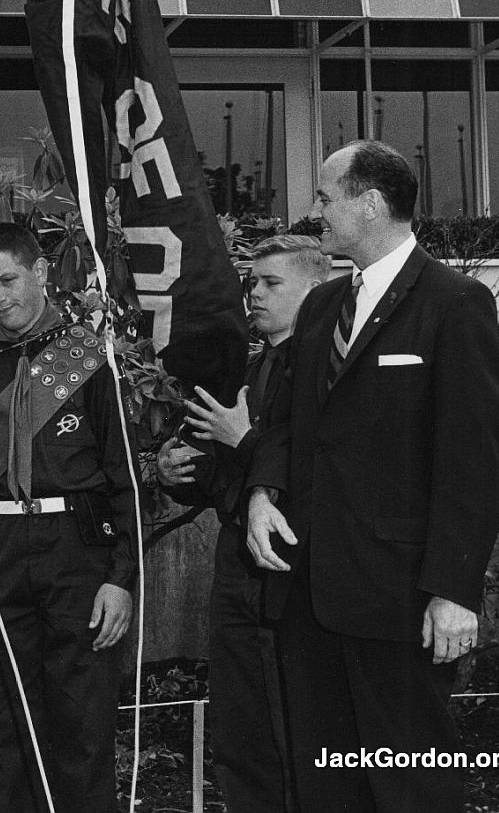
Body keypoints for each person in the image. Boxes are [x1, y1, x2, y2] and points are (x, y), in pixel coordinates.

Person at [245, 139, 499, 812]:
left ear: (372, 203)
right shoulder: (323, 307)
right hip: (309, 594)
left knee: (409, 781)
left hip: (399, 600)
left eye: (327, 198)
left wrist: (455, 591)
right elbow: (285, 421)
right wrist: (261, 492)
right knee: (328, 783)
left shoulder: (455, 304)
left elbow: (472, 461)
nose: (316, 212)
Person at [0, 222, 138, 813]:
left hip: (77, 554)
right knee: (5, 724)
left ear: (42, 271)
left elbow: (125, 478)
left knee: (83, 725)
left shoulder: (88, 358)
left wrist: (120, 579)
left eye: (8, 280)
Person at [156, 234, 330, 813]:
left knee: (296, 726)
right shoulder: (252, 368)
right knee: (240, 723)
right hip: (237, 566)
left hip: (297, 568)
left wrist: (246, 440)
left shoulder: (332, 372)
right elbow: (223, 474)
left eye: (270, 283)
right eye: (252, 282)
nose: (253, 294)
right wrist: (175, 470)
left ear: (316, 290)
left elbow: (320, 474)